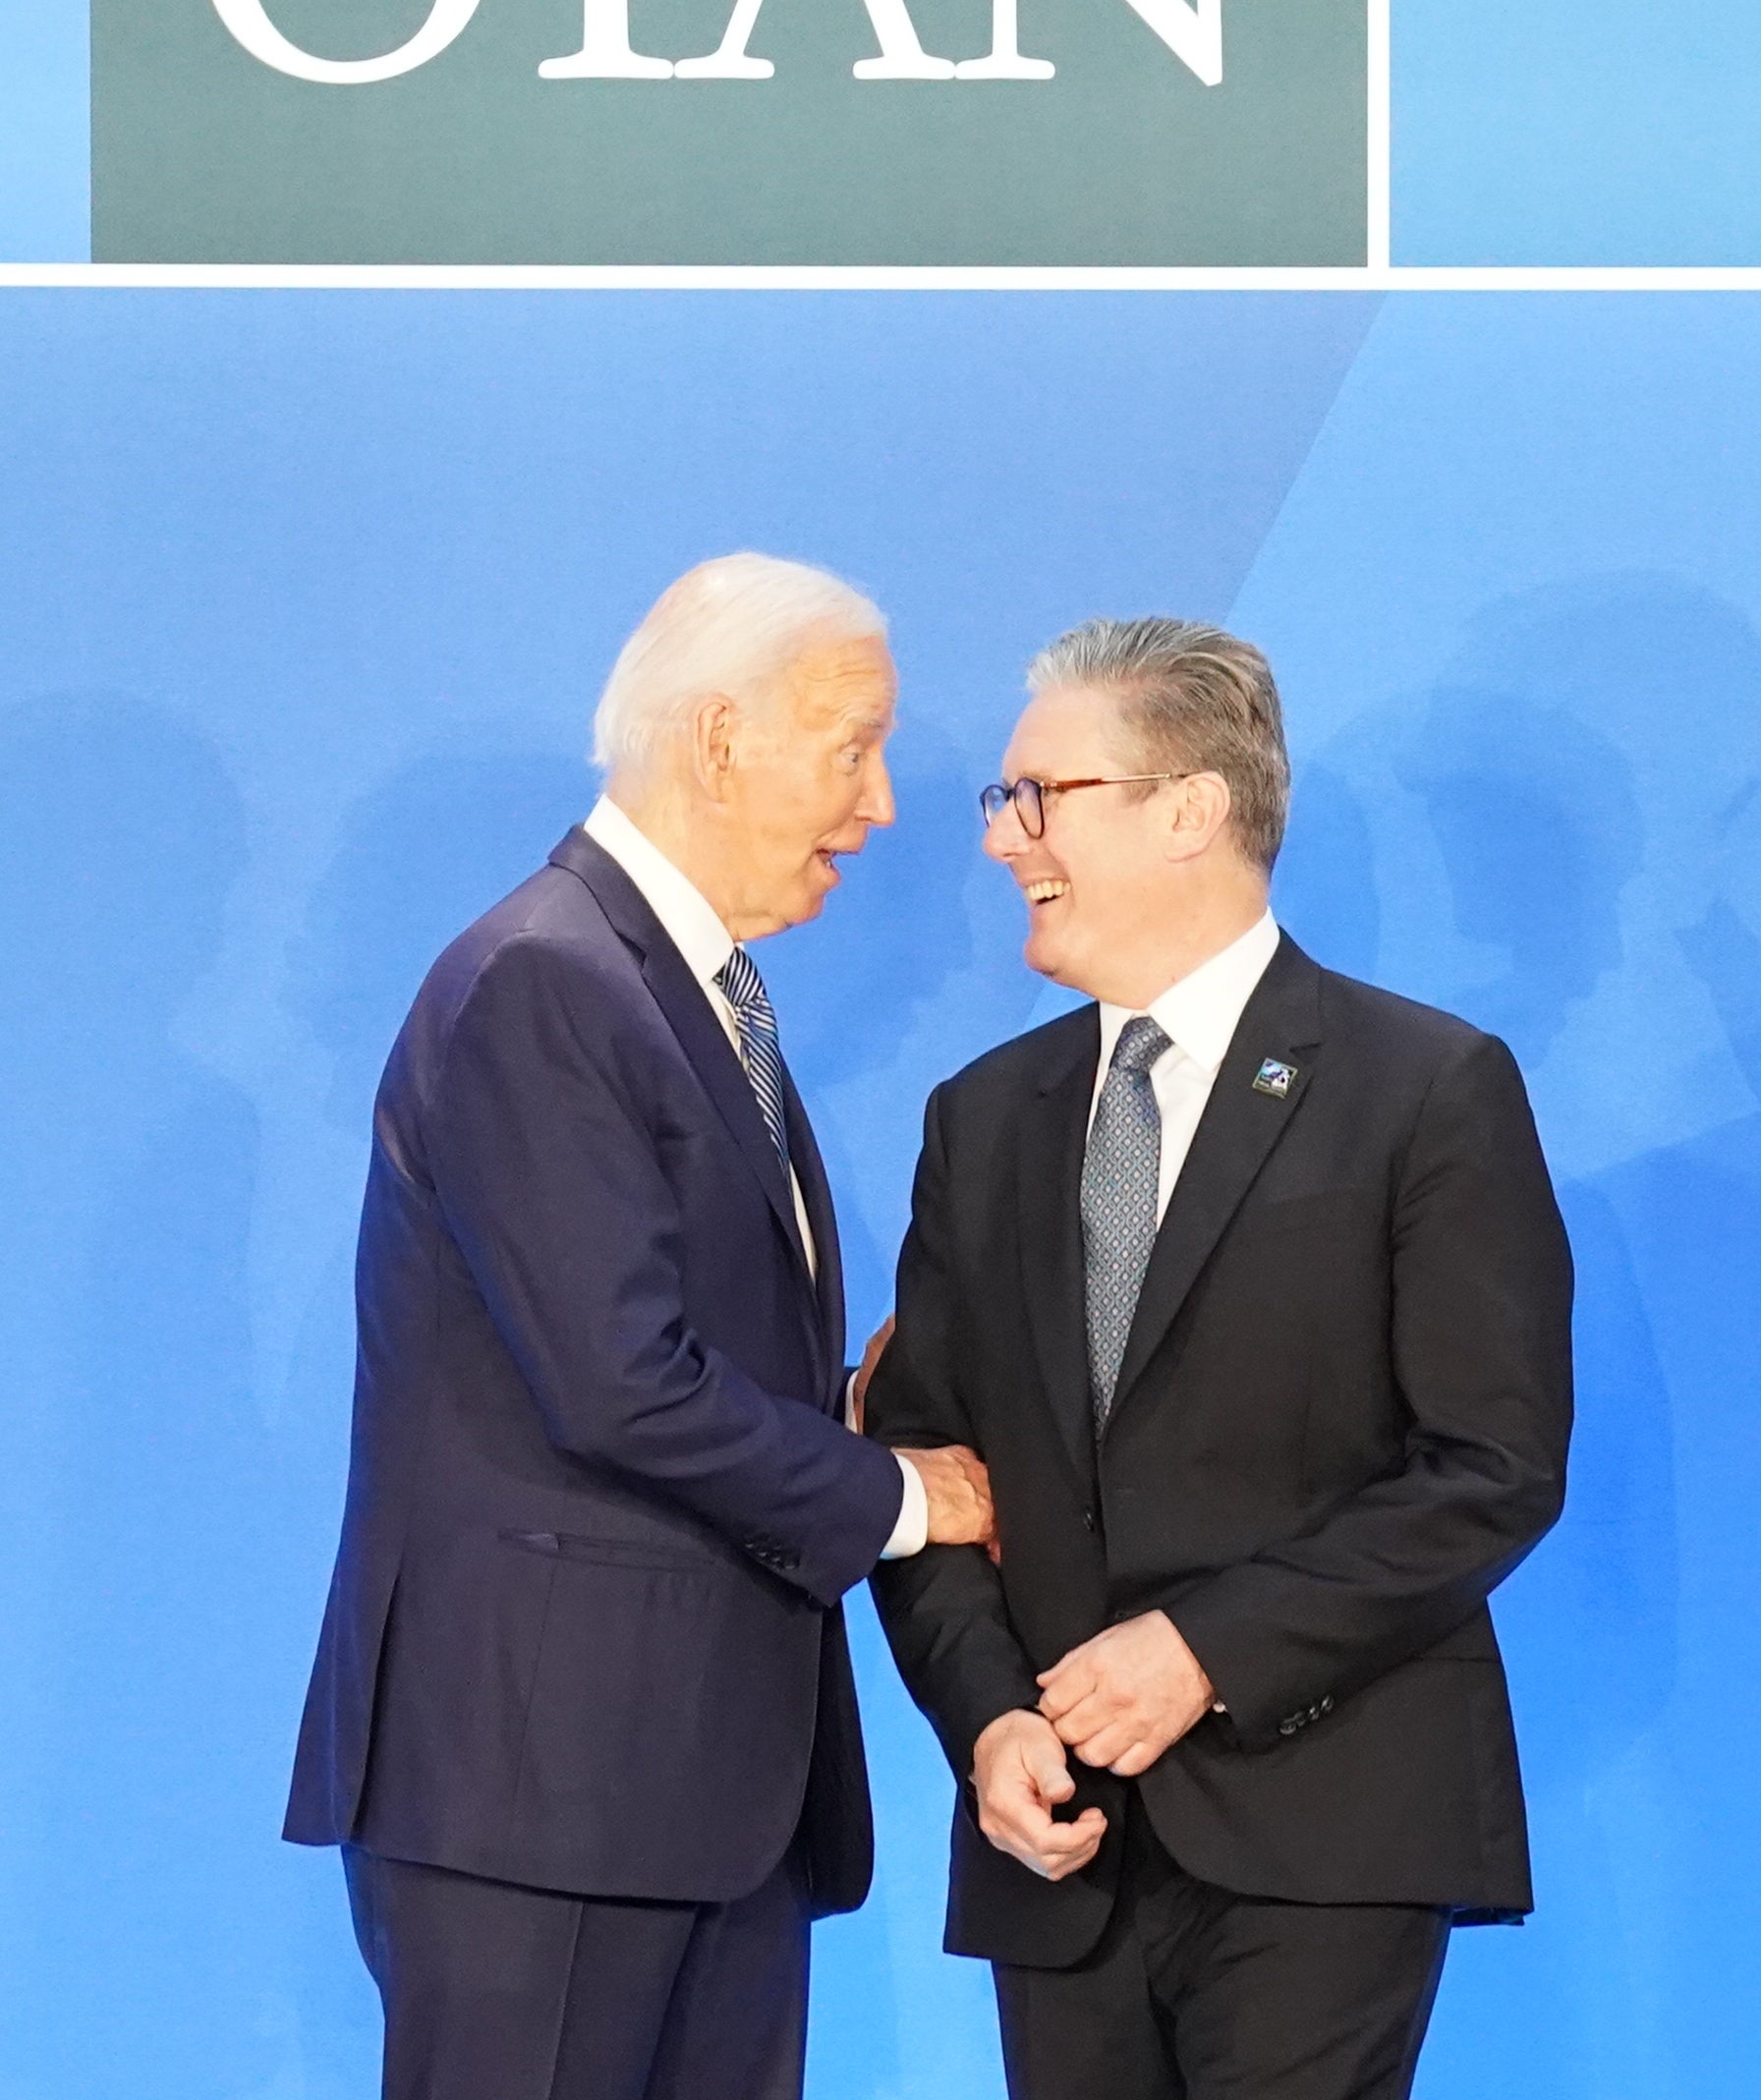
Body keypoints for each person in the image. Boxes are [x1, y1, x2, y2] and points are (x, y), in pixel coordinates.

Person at [284, 553, 993, 2100]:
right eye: (851, 745)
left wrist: (835, 1416)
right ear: (722, 736)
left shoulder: (678, 989)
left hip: (701, 1796)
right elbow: (617, 1381)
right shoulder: (546, 980)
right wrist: (896, 1496)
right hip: (547, 1797)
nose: (877, 806)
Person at [866, 617, 1573, 2100]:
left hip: (1326, 1832)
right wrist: (988, 1722)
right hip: (1058, 1859)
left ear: (1191, 807)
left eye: (1040, 796)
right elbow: (934, 1476)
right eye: (1008, 802)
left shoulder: (1425, 1087)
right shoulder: (981, 1121)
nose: (1006, 840)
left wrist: (1206, 1653)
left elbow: (1490, 1470)